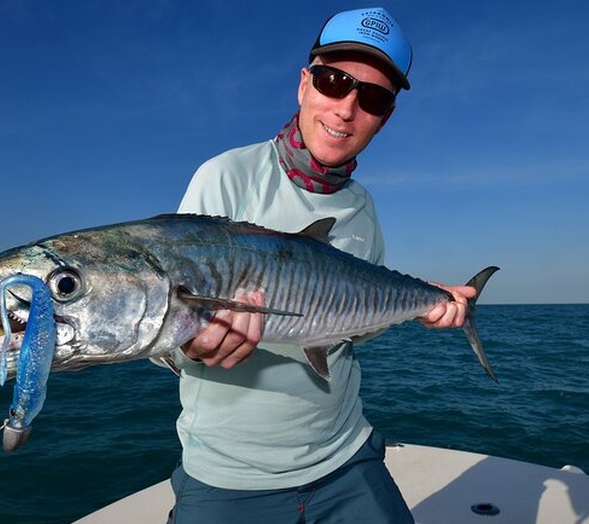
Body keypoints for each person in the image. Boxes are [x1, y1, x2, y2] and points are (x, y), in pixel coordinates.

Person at [164, 7, 477, 524]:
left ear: (385, 116)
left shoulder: (362, 207)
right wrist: (187, 343)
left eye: (373, 98)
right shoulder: (225, 177)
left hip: (346, 455)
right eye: (334, 81)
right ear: (304, 84)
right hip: (230, 474)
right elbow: (161, 313)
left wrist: (421, 304)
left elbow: (349, 328)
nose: (347, 109)